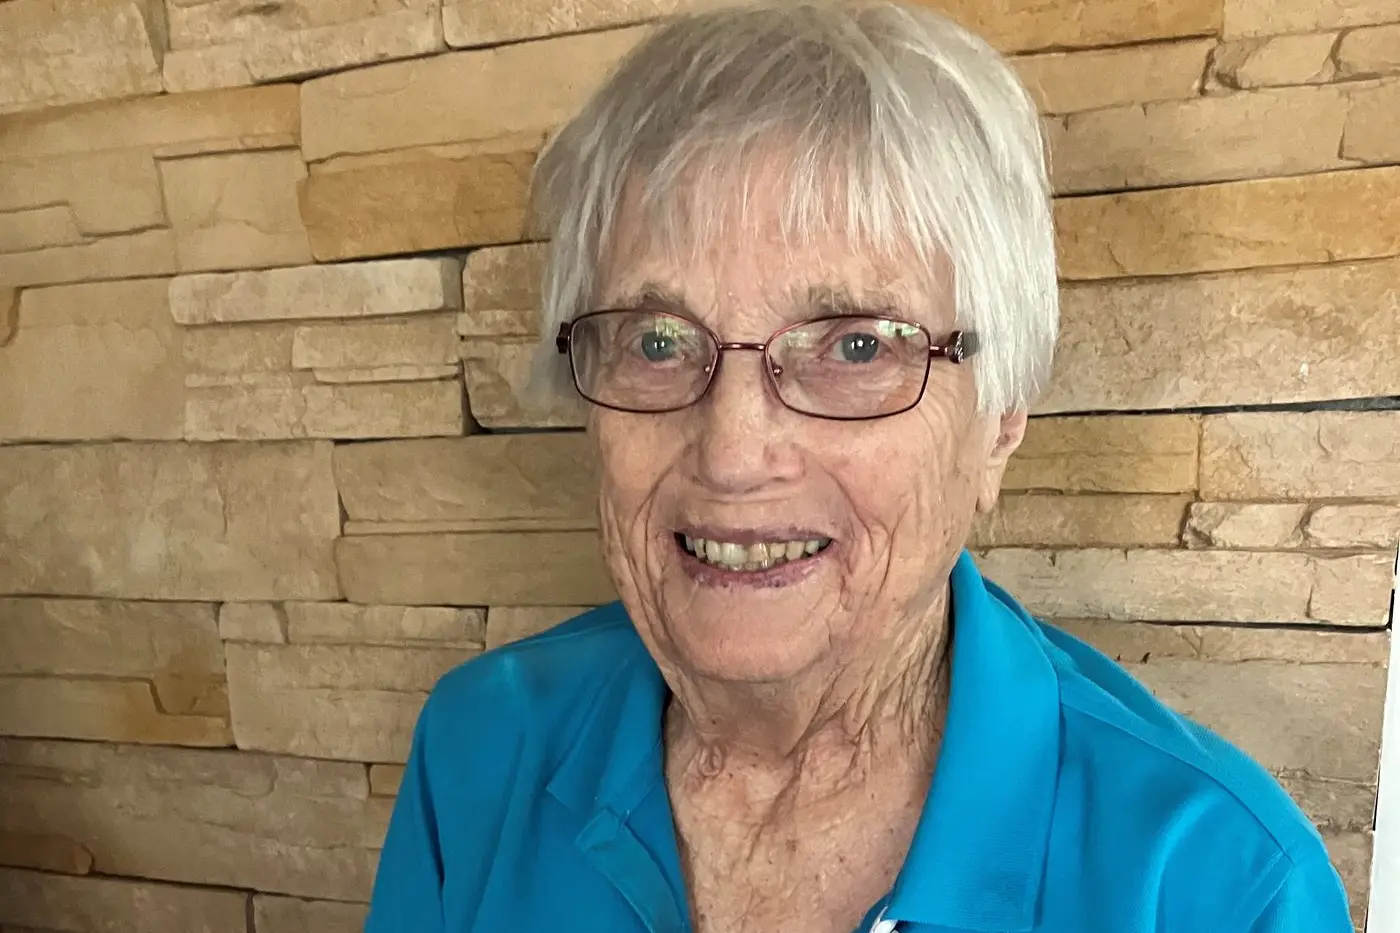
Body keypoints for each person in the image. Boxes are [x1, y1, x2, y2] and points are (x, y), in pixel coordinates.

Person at [365, 2, 1354, 931]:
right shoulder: (479, 753)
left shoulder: (1212, 886)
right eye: (656, 342)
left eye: (854, 346)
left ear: (999, 419)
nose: (733, 452)